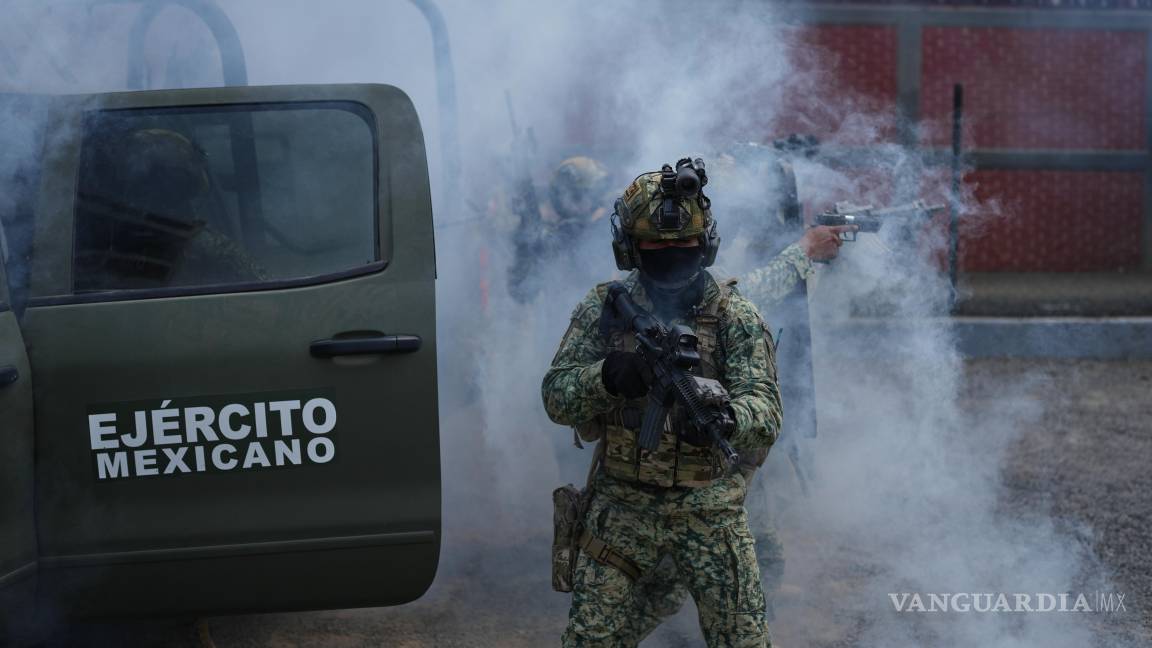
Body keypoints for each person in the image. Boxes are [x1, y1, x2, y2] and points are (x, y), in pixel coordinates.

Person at [542, 160, 782, 647]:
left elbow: (767, 410)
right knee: (591, 640)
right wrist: (608, 376)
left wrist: (729, 419)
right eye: (655, 244)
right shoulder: (604, 308)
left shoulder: (735, 314)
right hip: (622, 505)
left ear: (705, 245)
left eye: (684, 244)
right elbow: (556, 396)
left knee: (744, 639)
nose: (671, 253)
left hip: (711, 507)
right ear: (631, 248)